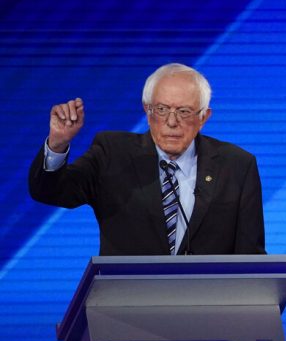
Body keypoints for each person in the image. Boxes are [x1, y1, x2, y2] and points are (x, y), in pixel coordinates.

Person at [29, 62, 265, 256]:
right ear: (147, 111)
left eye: (184, 111)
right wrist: (58, 143)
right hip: (126, 307)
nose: (172, 122)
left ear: (204, 117)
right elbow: (50, 191)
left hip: (210, 308)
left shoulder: (237, 166)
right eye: (162, 109)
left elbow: (251, 258)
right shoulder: (113, 153)